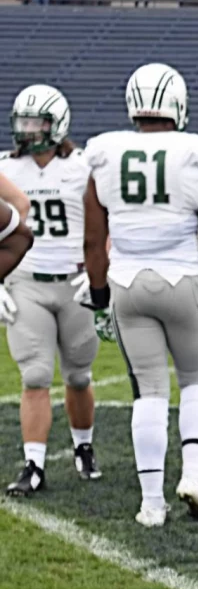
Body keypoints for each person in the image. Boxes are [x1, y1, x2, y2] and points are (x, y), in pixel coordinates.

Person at [82, 64, 198, 526]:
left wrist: (97, 299)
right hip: (181, 281)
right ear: (178, 103)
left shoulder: (105, 153)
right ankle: (193, 475)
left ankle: (151, 503)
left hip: (127, 285)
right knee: (196, 381)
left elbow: (93, 242)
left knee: (147, 393)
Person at [2, 84, 99, 496]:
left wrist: (99, 272)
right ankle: (34, 465)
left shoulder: (83, 166)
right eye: (22, 120)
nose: (27, 129)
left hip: (75, 282)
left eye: (36, 121)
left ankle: (84, 446)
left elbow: (106, 224)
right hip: (26, 282)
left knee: (78, 375)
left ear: (57, 124)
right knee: (36, 374)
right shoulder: (5, 167)